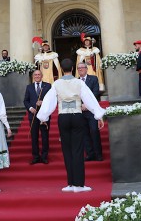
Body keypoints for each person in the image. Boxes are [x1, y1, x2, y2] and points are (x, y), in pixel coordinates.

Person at [37, 58, 105, 193]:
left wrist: (43, 117)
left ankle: (70, 184)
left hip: (63, 117)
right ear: (73, 68)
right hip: (77, 116)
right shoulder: (79, 83)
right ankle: (79, 185)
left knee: (66, 150)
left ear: (61, 69)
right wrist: (98, 115)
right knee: (78, 150)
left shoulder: (56, 83)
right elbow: (90, 99)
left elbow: (48, 101)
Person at [23, 70, 51, 165]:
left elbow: (51, 99)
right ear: (33, 76)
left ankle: (44, 156)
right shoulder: (29, 87)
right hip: (33, 115)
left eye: (39, 74)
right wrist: (30, 108)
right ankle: (35, 156)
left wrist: (43, 102)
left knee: (44, 136)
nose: (37, 76)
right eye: (35, 74)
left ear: (42, 76)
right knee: (34, 137)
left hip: (44, 115)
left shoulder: (47, 86)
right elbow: (26, 101)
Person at [77, 62, 102, 162]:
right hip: (80, 111)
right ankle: (90, 154)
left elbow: (95, 93)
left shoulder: (93, 79)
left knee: (94, 131)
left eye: (82, 68)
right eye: (78, 68)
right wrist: (80, 105)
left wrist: (87, 104)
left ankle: (98, 154)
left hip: (91, 110)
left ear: (86, 69)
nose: (80, 70)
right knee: (84, 133)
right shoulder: (75, 81)